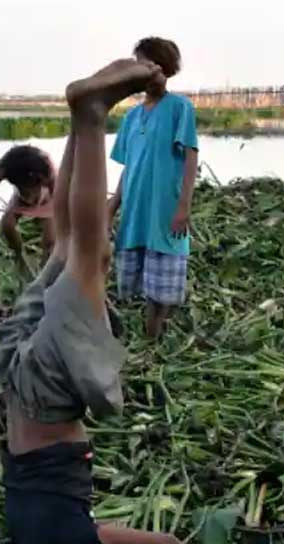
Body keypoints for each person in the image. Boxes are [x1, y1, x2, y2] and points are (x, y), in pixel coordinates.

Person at [0, 58, 222, 544]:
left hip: (47, 389)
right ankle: (78, 120)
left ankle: (89, 115)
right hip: (11, 373)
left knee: (90, 250)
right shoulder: (25, 543)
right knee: (67, 244)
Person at [108, 36, 199, 339]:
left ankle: (155, 333)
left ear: (167, 69)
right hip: (136, 208)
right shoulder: (132, 116)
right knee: (142, 284)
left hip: (165, 207)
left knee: (163, 286)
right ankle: (154, 332)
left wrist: (184, 206)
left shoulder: (179, 108)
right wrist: (112, 207)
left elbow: (190, 157)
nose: (147, 74)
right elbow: (128, 167)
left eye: (152, 66)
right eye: (141, 67)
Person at [0, 145, 58, 275]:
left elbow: (58, 204)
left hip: (48, 199)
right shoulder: (4, 168)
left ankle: (45, 272)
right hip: (20, 199)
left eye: (29, 187)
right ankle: (21, 261)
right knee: (7, 224)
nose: (30, 196)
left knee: (50, 241)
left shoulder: (47, 169)